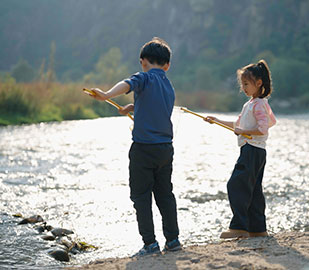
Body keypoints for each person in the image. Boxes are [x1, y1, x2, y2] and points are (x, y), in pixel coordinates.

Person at [88, 37, 181, 256]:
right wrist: (133, 106)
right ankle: (173, 240)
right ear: (167, 65)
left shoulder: (143, 77)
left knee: (141, 196)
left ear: (142, 62)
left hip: (143, 149)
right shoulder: (168, 85)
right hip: (165, 149)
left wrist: (106, 95)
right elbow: (154, 105)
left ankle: (150, 244)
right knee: (165, 195)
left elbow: (128, 83)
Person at [204, 59, 276, 239]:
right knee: (253, 189)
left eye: (246, 84)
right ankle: (258, 229)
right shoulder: (253, 104)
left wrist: (244, 131)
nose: (243, 87)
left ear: (259, 83)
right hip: (256, 151)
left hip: (252, 150)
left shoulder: (258, 104)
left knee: (236, 184)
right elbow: (240, 124)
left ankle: (239, 227)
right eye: (242, 84)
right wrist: (217, 120)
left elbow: (263, 128)